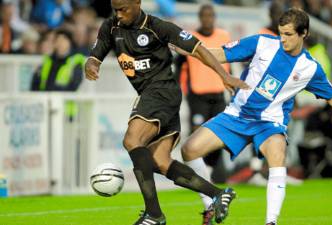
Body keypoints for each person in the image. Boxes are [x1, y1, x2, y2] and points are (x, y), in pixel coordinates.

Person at [175, 8, 332, 225]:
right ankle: (212, 201)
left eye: (289, 34)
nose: (283, 39)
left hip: (269, 123)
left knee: (277, 153)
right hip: (236, 115)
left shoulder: (310, 68)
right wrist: (191, 49)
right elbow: (221, 54)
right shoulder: (262, 42)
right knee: (189, 149)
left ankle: (271, 221)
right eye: (281, 33)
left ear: (303, 34)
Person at [84, 1, 249, 225]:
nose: (119, 14)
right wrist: (92, 64)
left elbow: (198, 48)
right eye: (115, 9)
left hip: (162, 91)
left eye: (123, 9)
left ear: (137, 3)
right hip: (154, 96)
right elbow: (97, 53)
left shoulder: (159, 27)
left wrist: (224, 76)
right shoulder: (110, 27)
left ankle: (153, 214)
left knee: (132, 140)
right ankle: (218, 194)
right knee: (159, 161)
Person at [175, 4, 231, 225]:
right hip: (197, 96)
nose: (208, 19)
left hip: (218, 94)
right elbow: (180, 67)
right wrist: (181, 92)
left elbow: (229, 63)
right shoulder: (191, 38)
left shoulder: (224, 35)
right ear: (200, 18)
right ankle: (205, 183)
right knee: (197, 138)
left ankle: (206, 177)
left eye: (211, 15)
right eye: (204, 15)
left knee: (218, 139)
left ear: (214, 17)